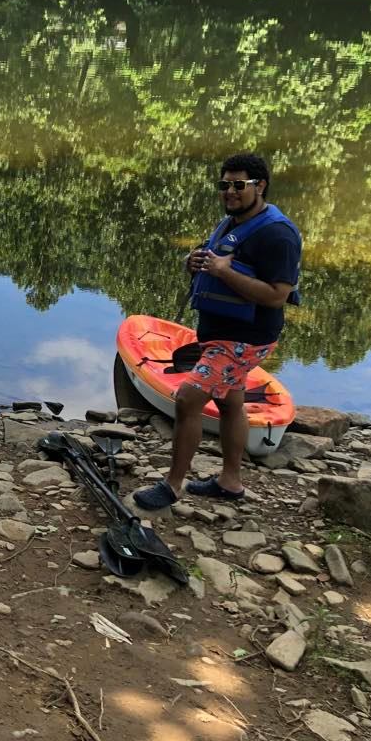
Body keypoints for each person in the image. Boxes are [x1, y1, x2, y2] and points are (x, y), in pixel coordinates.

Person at [133, 152, 302, 509]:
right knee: (230, 402)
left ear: (260, 186)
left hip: (244, 339)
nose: (230, 191)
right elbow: (221, 262)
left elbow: (277, 296)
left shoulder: (279, 235)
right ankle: (230, 482)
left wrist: (224, 273)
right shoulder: (234, 222)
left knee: (188, 398)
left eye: (239, 185)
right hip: (220, 335)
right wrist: (194, 263)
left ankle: (172, 486)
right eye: (224, 184)